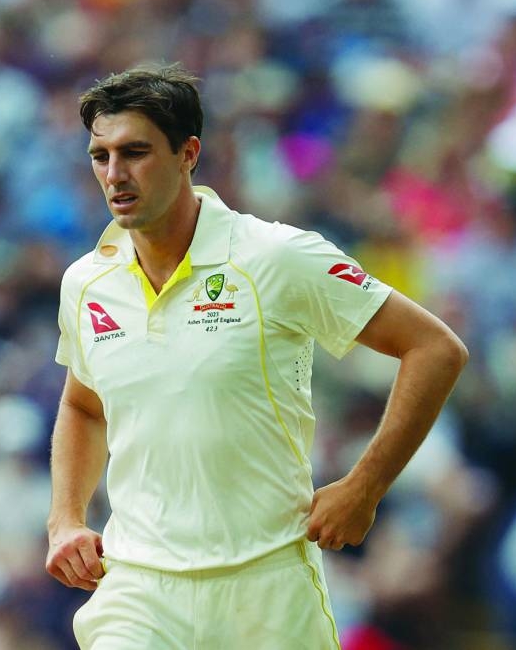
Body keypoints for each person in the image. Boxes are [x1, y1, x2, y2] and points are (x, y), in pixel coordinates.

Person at [45, 63, 468, 650]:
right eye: (101, 156)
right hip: (139, 588)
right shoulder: (86, 283)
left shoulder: (277, 257)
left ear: (188, 153)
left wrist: (364, 488)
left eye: (135, 152)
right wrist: (64, 518)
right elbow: (83, 407)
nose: (115, 174)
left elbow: (434, 348)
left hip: (268, 586)